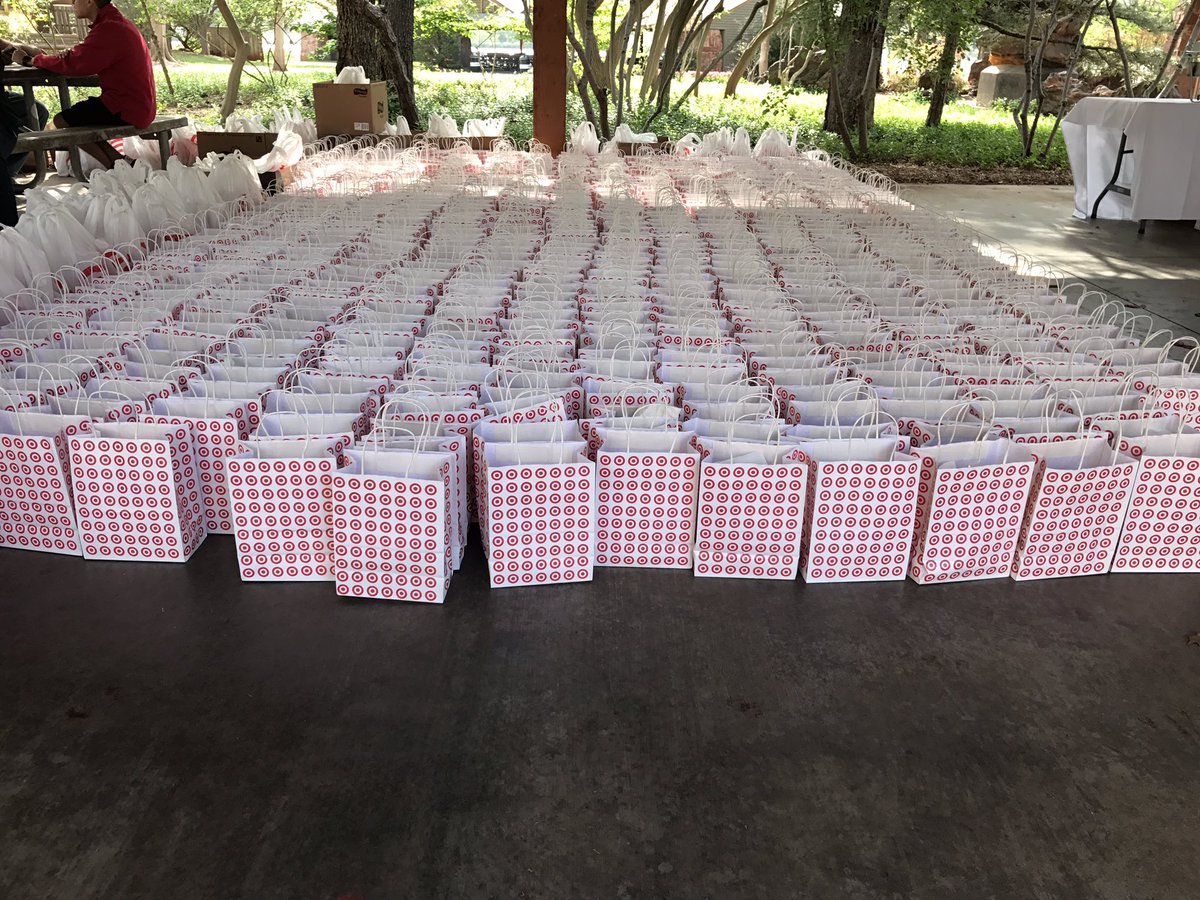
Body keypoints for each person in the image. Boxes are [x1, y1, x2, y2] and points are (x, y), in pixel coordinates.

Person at [10, 0, 155, 170]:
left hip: (125, 106)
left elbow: (76, 63)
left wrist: (29, 60)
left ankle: (116, 167)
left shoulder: (109, 28)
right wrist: (65, 57)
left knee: (62, 121)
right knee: (76, 121)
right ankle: (120, 164)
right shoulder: (117, 24)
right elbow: (80, 57)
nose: (72, 3)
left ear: (89, 1)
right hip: (136, 104)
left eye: (75, 0)